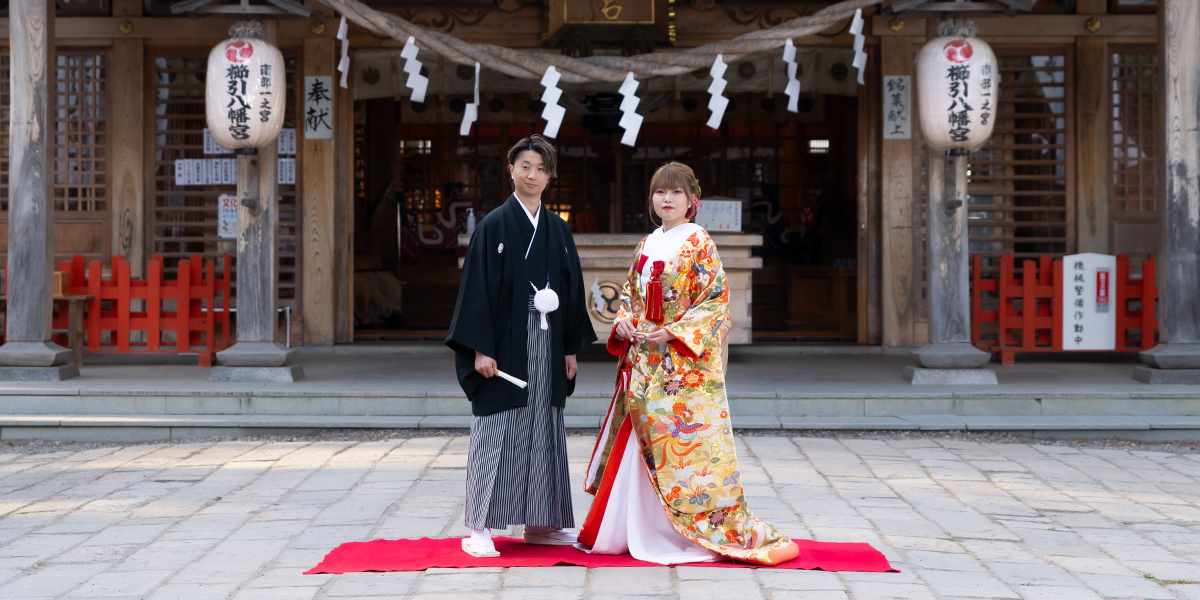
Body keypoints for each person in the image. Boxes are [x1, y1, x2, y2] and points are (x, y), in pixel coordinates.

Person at [577, 162, 799, 566]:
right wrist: (625, 319)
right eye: (660, 192)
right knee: (640, 436)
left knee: (680, 443)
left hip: (681, 367)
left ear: (692, 200)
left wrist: (674, 332)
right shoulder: (646, 244)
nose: (666, 199)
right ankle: (630, 528)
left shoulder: (699, 242)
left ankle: (682, 529)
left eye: (675, 192)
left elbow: (715, 301)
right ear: (651, 200)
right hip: (645, 357)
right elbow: (630, 292)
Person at [446, 135, 598, 558]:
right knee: (497, 430)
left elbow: (570, 291)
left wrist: (570, 348)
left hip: (547, 345)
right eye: (525, 166)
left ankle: (542, 523)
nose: (532, 175)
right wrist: (479, 348)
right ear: (510, 170)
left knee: (544, 431)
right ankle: (480, 526)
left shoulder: (557, 229)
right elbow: (476, 292)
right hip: (502, 347)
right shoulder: (493, 225)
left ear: (550, 177)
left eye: (541, 169)